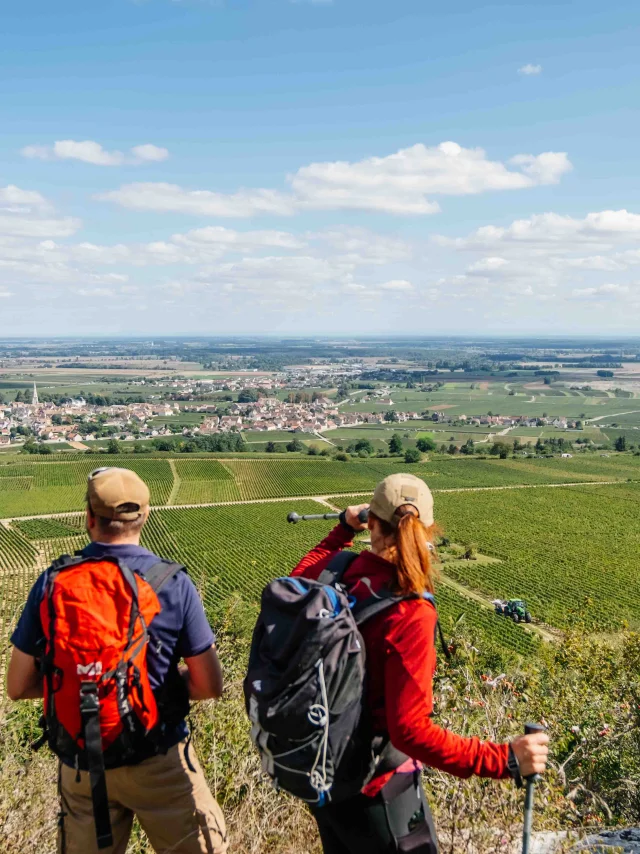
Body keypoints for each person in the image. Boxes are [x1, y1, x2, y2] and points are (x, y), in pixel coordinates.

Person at [291, 473, 549, 854]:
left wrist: (342, 529)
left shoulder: (340, 572)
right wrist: (505, 759)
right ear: (427, 530)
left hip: (327, 781)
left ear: (371, 523)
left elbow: (296, 578)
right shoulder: (410, 611)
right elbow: (410, 731)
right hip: (381, 794)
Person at [7, 466, 228, 854]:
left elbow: (17, 686)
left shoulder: (52, 582)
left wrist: (84, 683)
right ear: (145, 516)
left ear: (88, 517)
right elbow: (209, 685)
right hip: (159, 758)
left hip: (81, 763)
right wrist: (154, 686)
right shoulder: (173, 583)